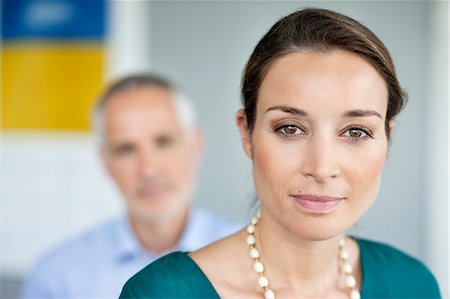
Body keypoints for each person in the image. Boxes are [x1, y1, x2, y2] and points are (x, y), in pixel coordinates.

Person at [119, 8, 441, 299]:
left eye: (356, 132)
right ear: (246, 132)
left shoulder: (412, 286)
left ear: (387, 139)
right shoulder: (160, 294)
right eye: (290, 129)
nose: (322, 167)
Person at [20, 74, 240, 298]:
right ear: (106, 162)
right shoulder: (57, 278)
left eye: (163, 142)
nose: (149, 170)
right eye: (126, 149)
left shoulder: (254, 260)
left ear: (195, 145)